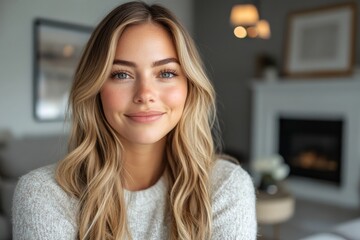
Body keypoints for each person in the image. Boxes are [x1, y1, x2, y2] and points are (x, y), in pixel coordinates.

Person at [12, 1, 256, 239]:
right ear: (96, 88)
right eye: (121, 74)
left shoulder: (227, 187)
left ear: (189, 86)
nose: (145, 95)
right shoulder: (43, 194)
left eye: (166, 73)